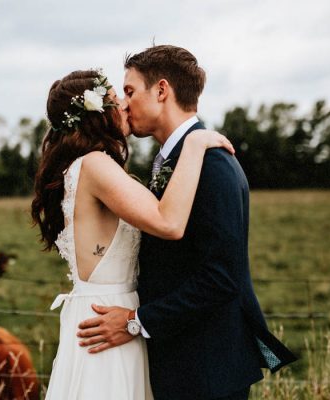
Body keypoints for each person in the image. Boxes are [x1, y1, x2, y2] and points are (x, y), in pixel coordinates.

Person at [76, 45, 297, 400]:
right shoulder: (174, 161)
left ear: (162, 91)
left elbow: (221, 277)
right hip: (180, 364)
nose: (124, 104)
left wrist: (137, 321)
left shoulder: (213, 165)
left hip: (206, 370)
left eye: (130, 91)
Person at [31, 69, 235, 400]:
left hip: (104, 313)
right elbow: (168, 222)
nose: (126, 105)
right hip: (108, 318)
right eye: (117, 99)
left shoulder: (84, 165)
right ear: (97, 114)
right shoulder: (95, 164)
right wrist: (195, 145)